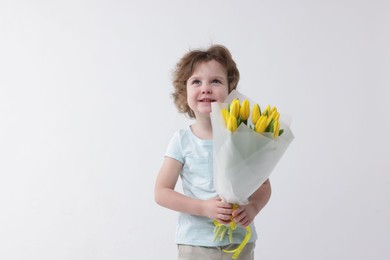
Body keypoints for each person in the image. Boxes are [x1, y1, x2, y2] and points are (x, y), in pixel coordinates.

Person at [154, 44, 272, 260]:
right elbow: (161, 192)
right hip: (195, 244)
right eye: (196, 81)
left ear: (230, 90)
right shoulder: (182, 140)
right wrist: (202, 208)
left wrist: (254, 207)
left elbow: (264, 185)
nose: (206, 88)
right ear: (184, 92)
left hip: (239, 242)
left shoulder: (242, 136)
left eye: (215, 81)